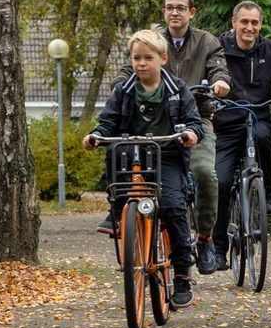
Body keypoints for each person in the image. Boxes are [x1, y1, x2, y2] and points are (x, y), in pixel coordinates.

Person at [84, 28, 202, 307]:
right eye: (136, 58)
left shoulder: (177, 90)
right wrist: (95, 136)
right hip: (133, 156)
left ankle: (183, 273)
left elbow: (194, 122)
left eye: (147, 58)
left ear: (162, 59)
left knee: (174, 208)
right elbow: (108, 123)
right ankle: (118, 209)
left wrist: (192, 134)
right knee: (115, 150)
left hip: (168, 156)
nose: (141, 63)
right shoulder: (124, 91)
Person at [214, 1, 271, 268]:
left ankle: (267, 193)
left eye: (254, 22)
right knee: (220, 182)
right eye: (244, 22)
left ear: (260, 25)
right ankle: (218, 248)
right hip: (227, 122)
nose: (249, 27)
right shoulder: (219, 48)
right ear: (234, 22)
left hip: (257, 117)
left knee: (264, 139)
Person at [157, 0, 232, 275]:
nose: (174, 12)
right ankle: (123, 217)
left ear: (191, 12)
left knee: (204, 171)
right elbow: (132, 66)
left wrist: (220, 82)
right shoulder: (154, 40)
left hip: (196, 118)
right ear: (163, 11)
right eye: (169, 7)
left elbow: (218, 67)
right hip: (158, 120)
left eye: (180, 7)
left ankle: (205, 238)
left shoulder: (206, 41)